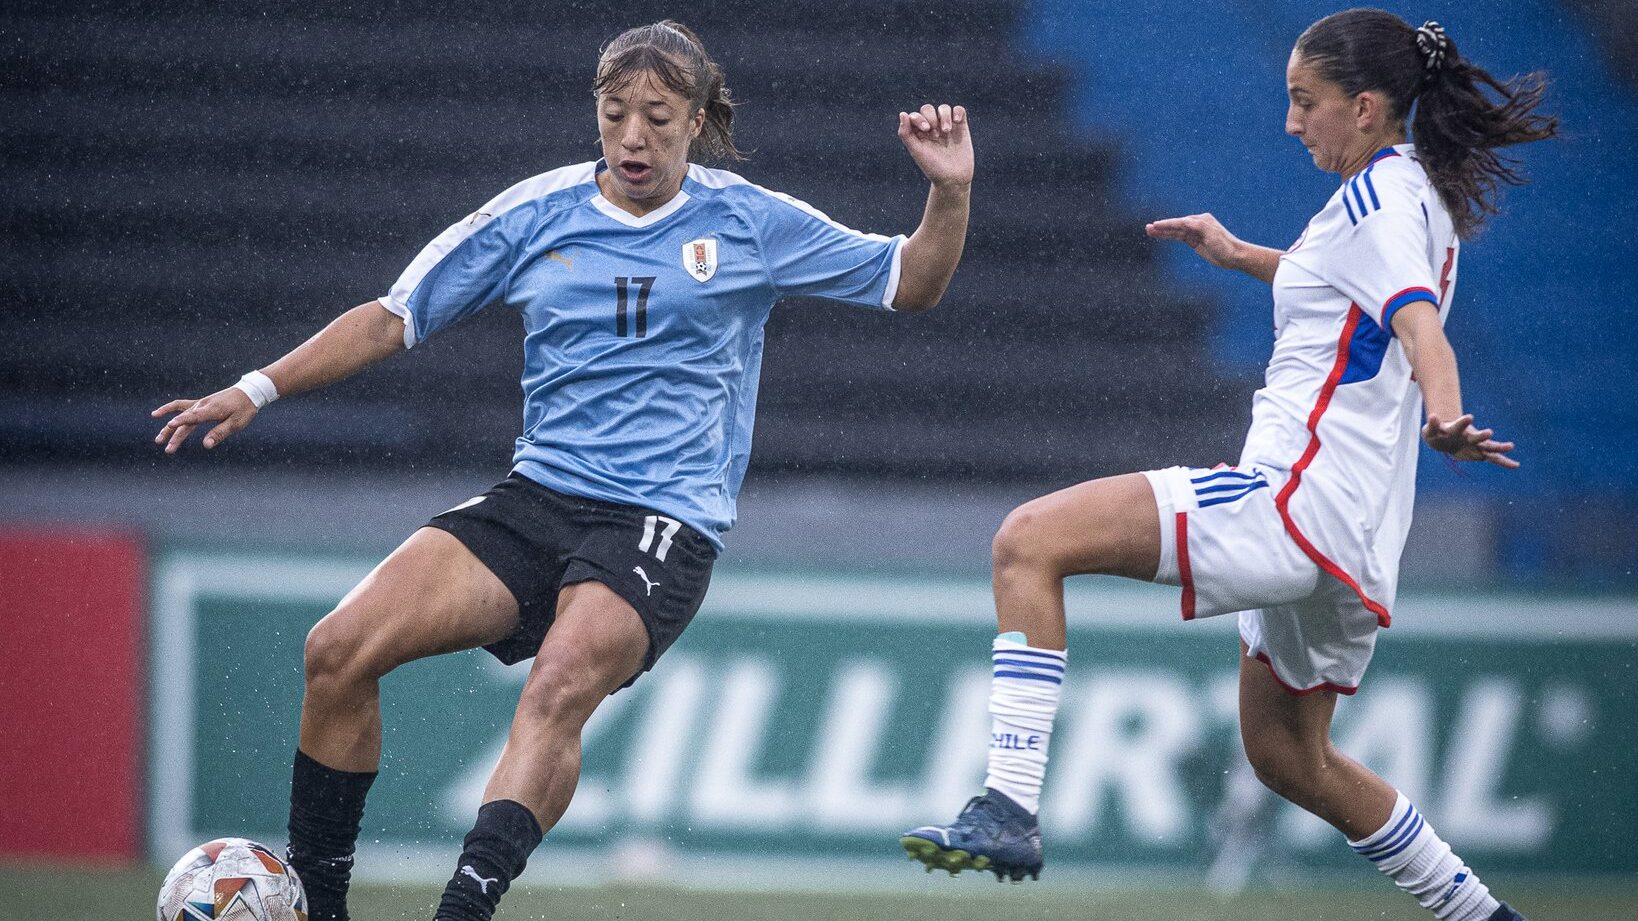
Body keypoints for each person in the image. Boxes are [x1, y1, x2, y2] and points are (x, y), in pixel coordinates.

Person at [152, 20, 973, 921]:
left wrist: (951, 193)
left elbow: (913, 280)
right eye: (615, 112)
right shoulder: (534, 214)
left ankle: (462, 909)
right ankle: (323, 903)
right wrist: (255, 387)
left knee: (555, 686)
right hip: (537, 498)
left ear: (697, 122)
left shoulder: (750, 221)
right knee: (337, 651)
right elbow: (394, 317)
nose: (633, 136)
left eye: (657, 117)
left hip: (661, 520)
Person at [900, 10, 1553, 921]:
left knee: (1027, 541)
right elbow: (1354, 304)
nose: (1292, 123)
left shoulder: (1375, 200)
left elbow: (1416, 327)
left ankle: (1008, 800)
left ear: (1365, 107)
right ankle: (1483, 915)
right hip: (1356, 544)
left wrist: (1446, 415)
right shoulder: (1415, 195)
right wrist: (1241, 254)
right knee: (1291, 759)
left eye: (1305, 101)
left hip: (1291, 502)